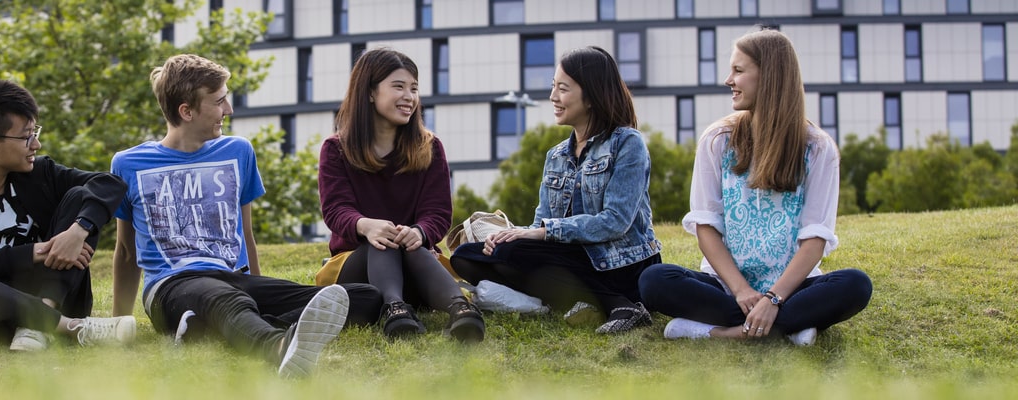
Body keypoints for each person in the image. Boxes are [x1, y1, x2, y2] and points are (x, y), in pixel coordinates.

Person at [110, 54, 381, 377]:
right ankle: (277, 346)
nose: (229, 110)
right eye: (219, 101)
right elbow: (126, 251)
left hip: (234, 278)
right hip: (171, 287)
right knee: (225, 299)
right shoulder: (128, 164)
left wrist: (257, 284)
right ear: (187, 111)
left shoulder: (238, 151)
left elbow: (245, 234)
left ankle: (206, 328)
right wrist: (119, 322)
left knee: (364, 297)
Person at [638, 29, 872, 345]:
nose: (728, 80)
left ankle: (718, 332)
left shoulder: (818, 148)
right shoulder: (717, 140)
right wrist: (743, 291)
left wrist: (773, 298)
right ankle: (789, 327)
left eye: (738, 70)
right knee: (654, 281)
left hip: (791, 288)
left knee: (856, 285)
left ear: (770, 76)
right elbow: (706, 228)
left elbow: (815, 239)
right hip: (726, 287)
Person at [448, 46, 662, 334]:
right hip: (572, 259)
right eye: (553, 87)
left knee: (517, 253)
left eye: (563, 89)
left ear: (591, 95)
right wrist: (508, 236)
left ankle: (621, 304)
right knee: (465, 256)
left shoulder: (627, 143)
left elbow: (616, 221)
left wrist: (540, 233)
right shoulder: (556, 155)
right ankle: (585, 302)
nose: (553, 97)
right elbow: (540, 225)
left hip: (620, 262)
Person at [0, 80, 135, 351]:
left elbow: (109, 184)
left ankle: (36, 325)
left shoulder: (38, 173)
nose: (37, 144)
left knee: (80, 198)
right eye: (26, 136)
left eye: (35, 132)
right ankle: (68, 327)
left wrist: (77, 232)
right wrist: (38, 251)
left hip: (39, 298)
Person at [318, 48, 485, 342]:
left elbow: (438, 212)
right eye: (398, 87)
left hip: (418, 267)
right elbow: (335, 209)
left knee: (406, 245)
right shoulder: (336, 149)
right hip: (359, 272)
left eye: (414, 89)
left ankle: (461, 309)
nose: (409, 97)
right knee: (382, 243)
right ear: (370, 92)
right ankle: (394, 308)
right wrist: (366, 226)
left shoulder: (430, 148)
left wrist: (419, 233)